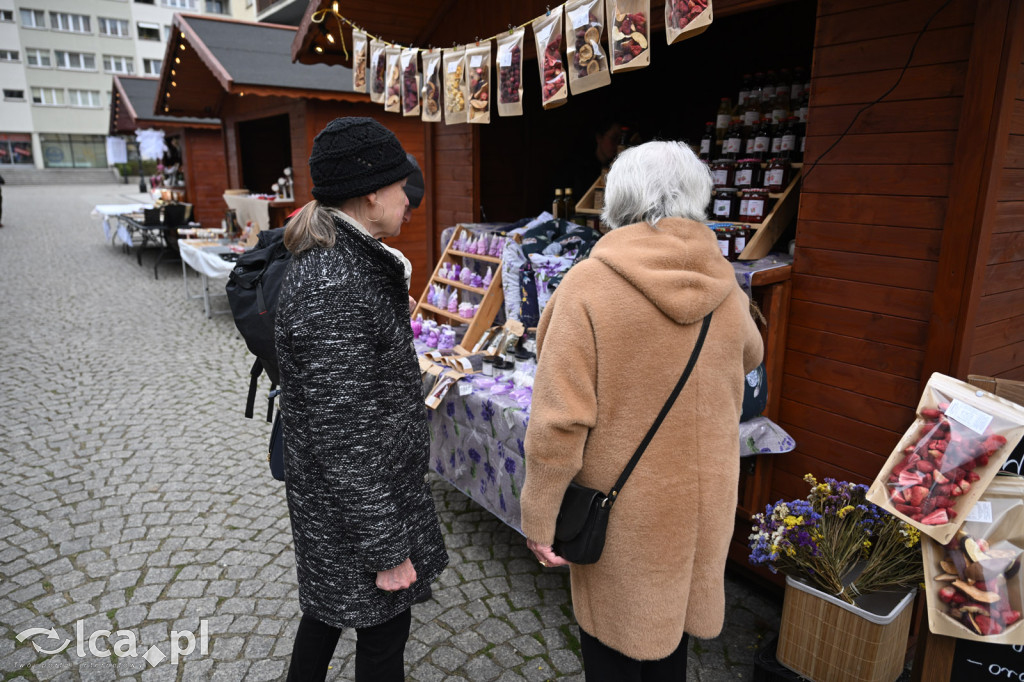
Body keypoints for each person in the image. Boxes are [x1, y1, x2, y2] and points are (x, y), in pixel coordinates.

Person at [520, 140, 764, 681]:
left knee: (616, 650)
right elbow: (753, 353)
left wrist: (539, 516)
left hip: (626, 510)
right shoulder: (724, 285)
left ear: (617, 200)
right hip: (703, 500)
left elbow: (559, 421)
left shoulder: (589, 284)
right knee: (668, 646)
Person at [275, 117, 448, 682]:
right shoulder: (336, 285)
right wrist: (387, 549)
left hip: (350, 502)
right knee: (381, 636)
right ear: (372, 191)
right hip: (354, 509)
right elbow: (343, 440)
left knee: (326, 616)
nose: (409, 200)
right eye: (402, 186)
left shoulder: (352, 265)